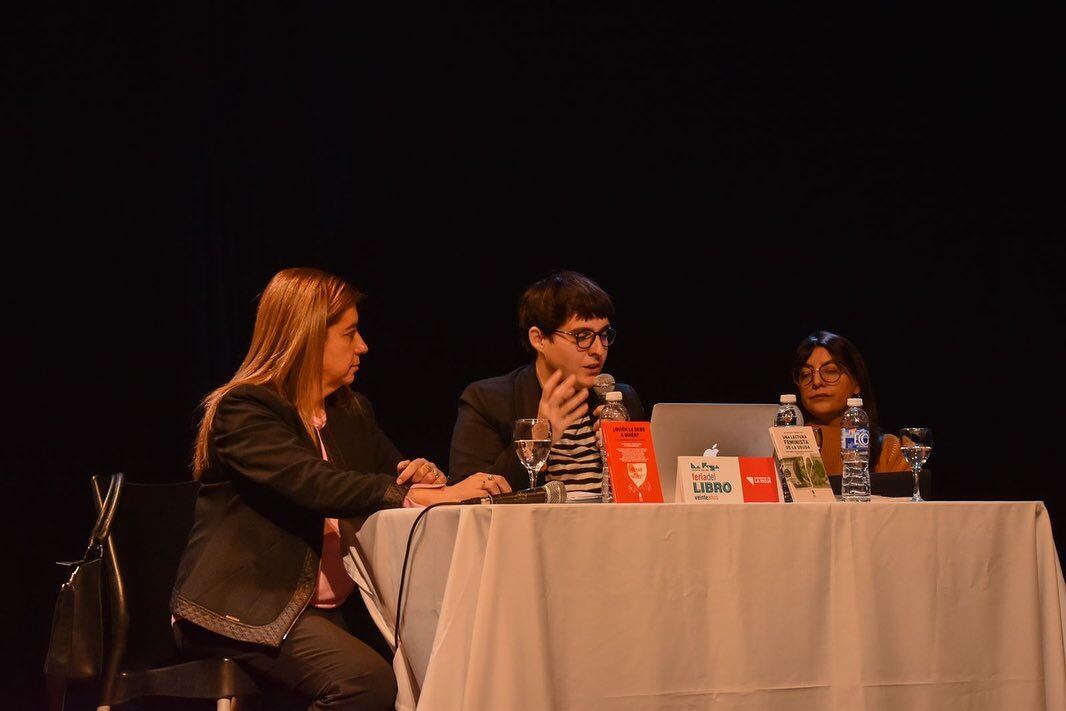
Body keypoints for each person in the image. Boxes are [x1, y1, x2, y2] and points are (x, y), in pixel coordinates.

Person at [170, 268, 509, 711]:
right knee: (364, 684)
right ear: (308, 336)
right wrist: (410, 493)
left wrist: (421, 478)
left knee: (436, 661)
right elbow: (314, 485)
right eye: (349, 333)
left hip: (330, 608)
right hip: (247, 607)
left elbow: (390, 477)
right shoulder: (246, 409)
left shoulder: (350, 411)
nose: (363, 346)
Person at [450, 270, 644, 494]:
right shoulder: (487, 400)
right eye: (582, 336)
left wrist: (626, 452)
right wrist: (538, 438)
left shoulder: (622, 400)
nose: (598, 350)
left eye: (603, 335)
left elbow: (643, 495)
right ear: (539, 339)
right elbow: (467, 499)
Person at [790, 330, 907, 475]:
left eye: (830, 371)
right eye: (806, 374)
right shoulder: (784, 444)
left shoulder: (888, 449)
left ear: (857, 383)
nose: (816, 382)